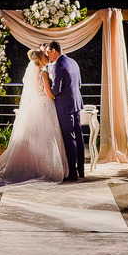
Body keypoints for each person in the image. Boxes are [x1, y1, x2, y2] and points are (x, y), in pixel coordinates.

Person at [0, 49, 67, 186]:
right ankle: (42, 167)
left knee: (36, 138)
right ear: (40, 59)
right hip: (43, 106)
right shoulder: (43, 72)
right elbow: (49, 94)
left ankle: (32, 167)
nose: (47, 57)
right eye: (45, 56)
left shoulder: (35, 71)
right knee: (45, 137)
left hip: (34, 106)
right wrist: (57, 95)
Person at [44, 40, 85, 181]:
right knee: (79, 137)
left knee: (69, 138)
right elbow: (79, 83)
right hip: (76, 103)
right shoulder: (73, 62)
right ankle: (81, 169)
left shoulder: (58, 66)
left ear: (54, 51)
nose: (47, 55)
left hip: (65, 106)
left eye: (48, 52)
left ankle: (72, 173)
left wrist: (48, 84)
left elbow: (55, 90)